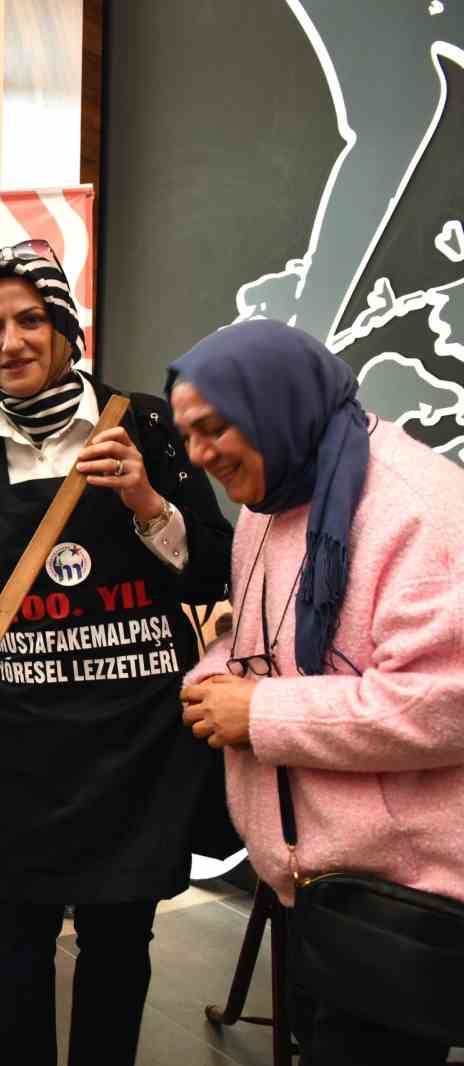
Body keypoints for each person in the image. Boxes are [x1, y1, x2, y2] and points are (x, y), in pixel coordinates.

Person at [0, 242, 232, 1066]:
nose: (11, 342)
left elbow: (217, 565)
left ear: (66, 328)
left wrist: (148, 502)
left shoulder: (141, 422)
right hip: (13, 758)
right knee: (14, 952)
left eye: (30, 320)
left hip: (132, 753)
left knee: (119, 946)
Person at [172, 318, 464, 1066]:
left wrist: (259, 712)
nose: (200, 455)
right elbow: (261, 645)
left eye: (214, 428)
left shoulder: (422, 511)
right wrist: (217, 679)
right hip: (314, 884)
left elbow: (441, 703)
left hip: (401, 899)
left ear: (276, 403)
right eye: (188, 435)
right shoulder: (275, 496)